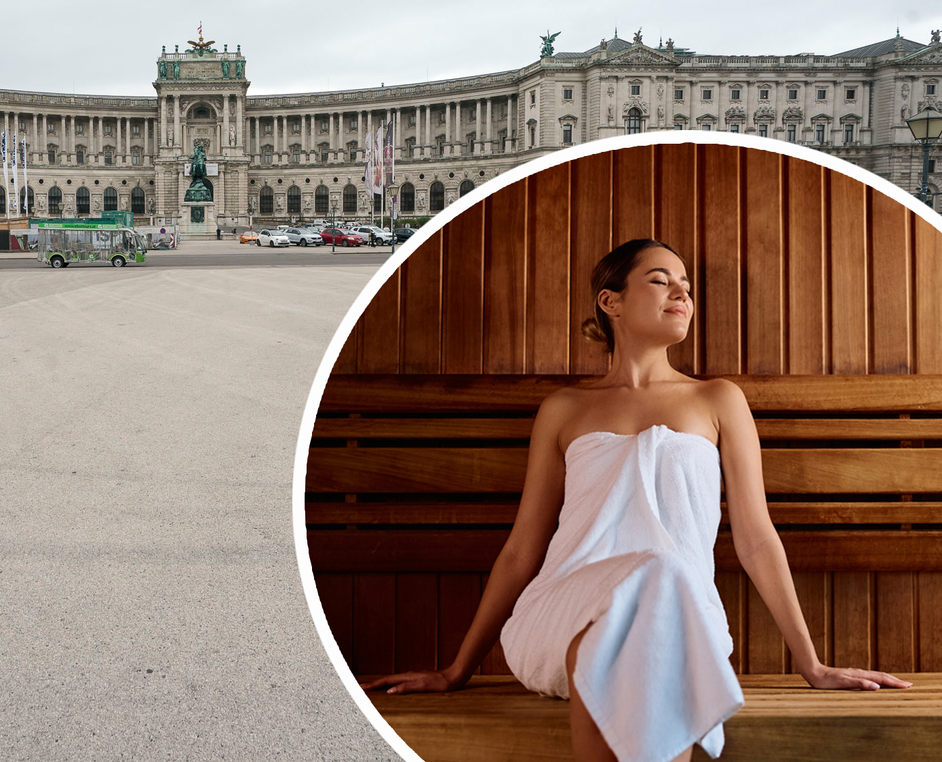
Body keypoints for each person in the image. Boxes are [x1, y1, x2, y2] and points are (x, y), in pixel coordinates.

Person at [361, 238, 909, 762]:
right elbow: (521, 551)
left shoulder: (718, 400)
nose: (682, 293)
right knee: (654, 583)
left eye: (687, 286)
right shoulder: (565, 408)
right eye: (660, 280)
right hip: (564, 612)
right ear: (611, 301)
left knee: (659, 594)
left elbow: (757, 540)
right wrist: (458, 669)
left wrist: (810, 663)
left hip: (682, 615)